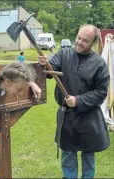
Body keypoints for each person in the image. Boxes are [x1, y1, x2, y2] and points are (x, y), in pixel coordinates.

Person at [38, 24, 110, 179]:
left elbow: (101, 93)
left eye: (85, 40)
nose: (79, 42)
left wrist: (79, 100)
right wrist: (44, 64)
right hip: (67, 117)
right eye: (78, 37)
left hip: (88, 118)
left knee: (88, 156)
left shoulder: (99, 64)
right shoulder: (64, 54)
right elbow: (50, 70)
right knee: (68, 155)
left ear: (92, 43)